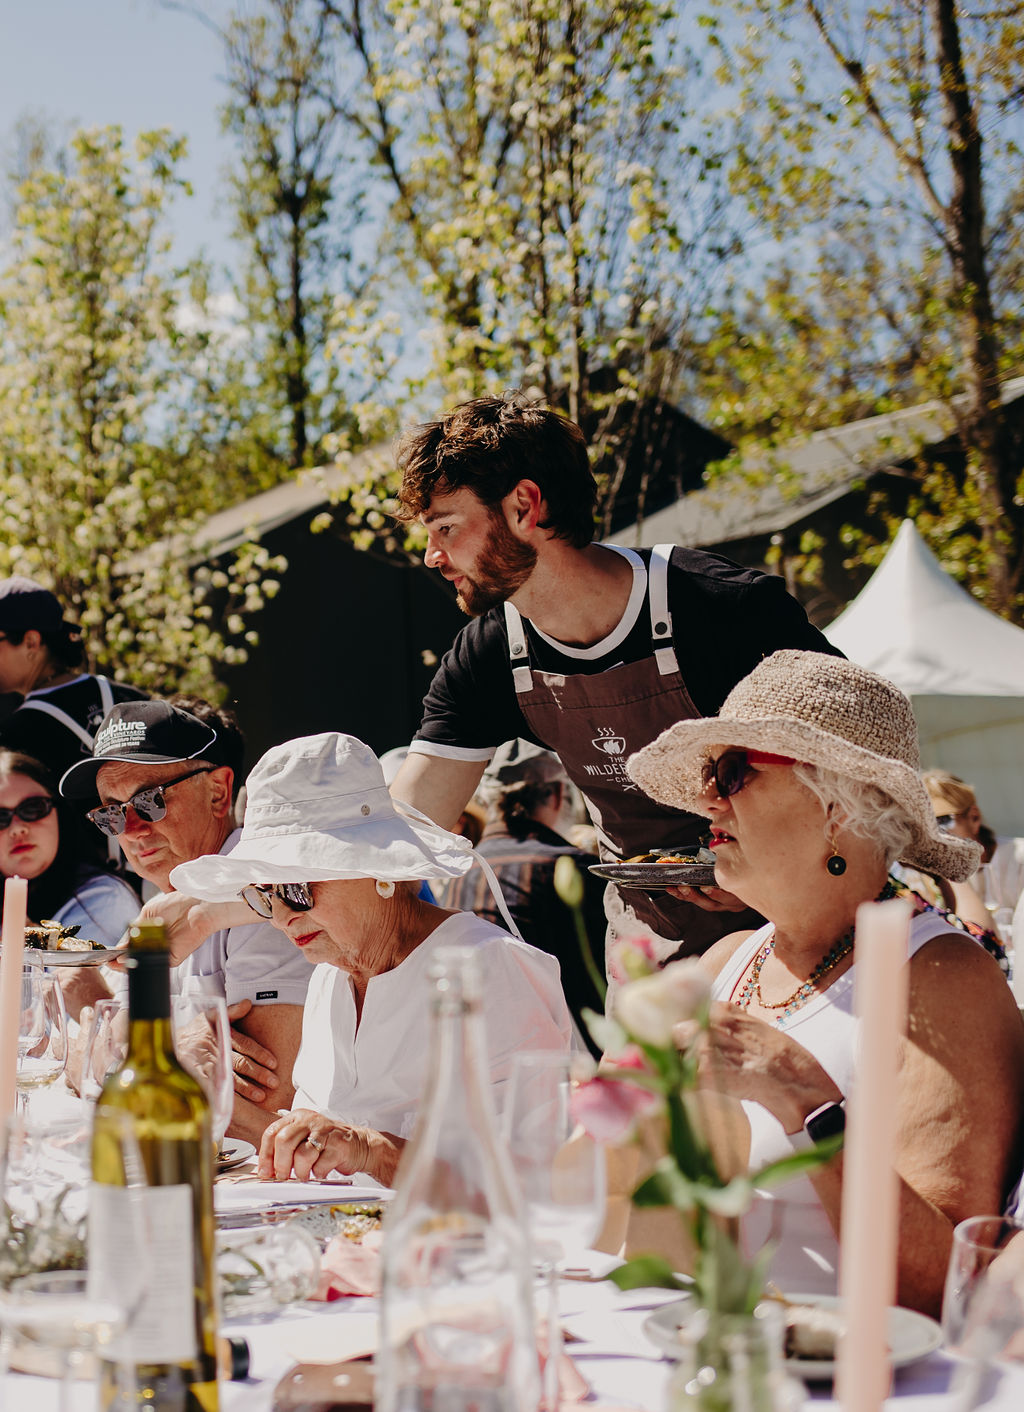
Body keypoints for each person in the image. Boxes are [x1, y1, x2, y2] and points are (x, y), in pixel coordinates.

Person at [625, 649, 1024, 1317]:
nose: (705, 798)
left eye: (731, 772)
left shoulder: (941, 979)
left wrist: (809, 1100)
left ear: (837, 804)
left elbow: (939, 1288)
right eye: (707, 773)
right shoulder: (728, 959)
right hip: (698, 1347)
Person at [387, 392, 840, 977]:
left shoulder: (723, 609)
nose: (431, 556)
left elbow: (857, 767)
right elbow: (403, 830)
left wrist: (772, 872)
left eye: (446, 527)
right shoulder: (491, 655)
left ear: (525, 505)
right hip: (648, 954)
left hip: (801, 937)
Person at [168, 732, 574, 1186]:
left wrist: (369, 1150)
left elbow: (535, 1172)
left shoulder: (490, 968)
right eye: (264, 895)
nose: (281, 918)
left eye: (298, 889)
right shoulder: (329, 975)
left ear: (379, 869)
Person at [59, 698, 311, 1141]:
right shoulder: (158, 910)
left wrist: (123, 1054)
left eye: (150, 800)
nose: (131, 829)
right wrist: (171, 1052)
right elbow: (85, 1061)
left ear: (217, 791)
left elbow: (262, 1107)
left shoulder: (266, 895)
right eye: (111, 812)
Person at [433, 738, 606, 1051]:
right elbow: (601, 978)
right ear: (556, 795)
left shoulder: (460, 870)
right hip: (559, 1056)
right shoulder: (569, 865)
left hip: (472, 1046)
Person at [0, 577, 149, 869]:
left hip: (81, 896)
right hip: (156, 876)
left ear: (31, 641)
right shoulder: (131, 697)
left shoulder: (18, 733)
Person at [0, 750, 140, 1002]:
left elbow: (59, 1011)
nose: (18, 827)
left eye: (33, 808)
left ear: (58, 813)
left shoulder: (104, 899)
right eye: (0, 818)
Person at [923, 769, 1024, 924]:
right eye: (924, 826)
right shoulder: (926, 877)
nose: (935, 834)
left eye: (941, 821)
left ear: (974, 818)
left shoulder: (1018, 859)